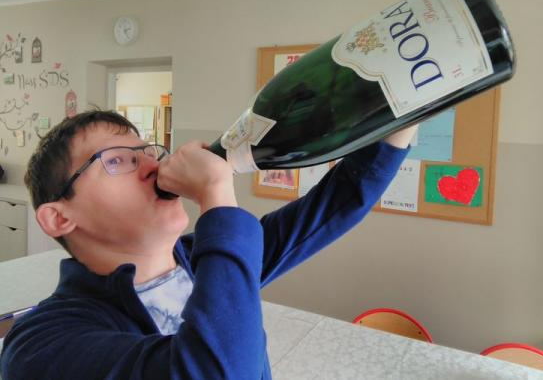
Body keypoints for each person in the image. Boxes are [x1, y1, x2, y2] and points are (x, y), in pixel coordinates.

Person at [0, 109, 416, 379]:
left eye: (148, 151)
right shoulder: (41, 344)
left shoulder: (202, 262)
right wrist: (216, 196)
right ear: (59, 218)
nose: (154, 166)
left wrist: (403, 113)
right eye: (116, 160)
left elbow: (335, 205)